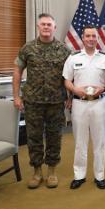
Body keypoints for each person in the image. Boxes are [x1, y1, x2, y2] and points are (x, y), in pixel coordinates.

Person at [13, 13, 71, 189]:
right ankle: (37, 172)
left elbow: (71, 76)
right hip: (33, 101)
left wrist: (71, 97)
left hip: (56, 101)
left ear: (55, 27)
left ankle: (52, 171)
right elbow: (17, 71)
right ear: (38, 27)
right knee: (34, 137)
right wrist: (16, 96)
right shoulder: (27, 48)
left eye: (49, 24)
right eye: (43, 24)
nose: (46, 27)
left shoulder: (64, 50)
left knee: (55, 136)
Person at [62, 25, 105, 190]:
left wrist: (103, 88)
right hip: (79, 104)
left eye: (93, 36)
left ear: (97, 38)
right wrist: (75, 89)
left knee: (100, 141)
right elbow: (67, 80)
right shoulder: (73, 58)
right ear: (83, 38)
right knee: (80, 142)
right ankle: (79, 175)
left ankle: (99, 176)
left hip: (99, 104)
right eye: (88, 36)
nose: (91, 39)